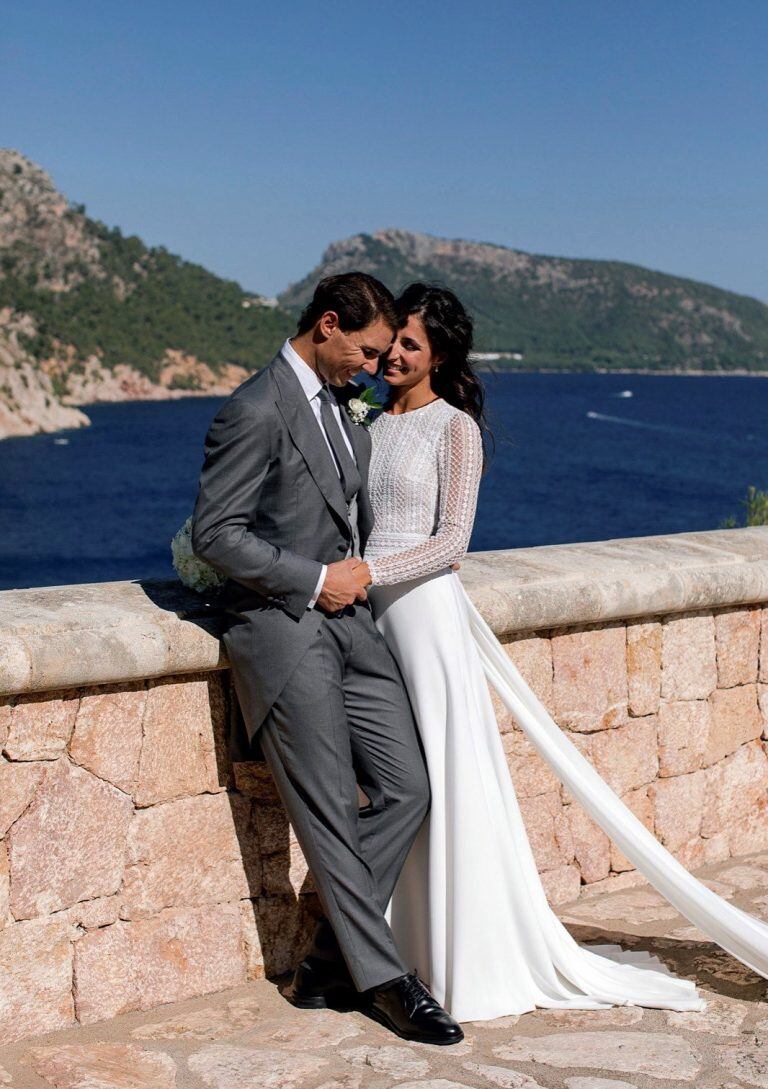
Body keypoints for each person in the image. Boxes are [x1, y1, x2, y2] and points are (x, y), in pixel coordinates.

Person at [359, 282, 768, 1022]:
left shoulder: (454, 428)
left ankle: (462, 953)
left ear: (439, 355)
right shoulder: (368, 419)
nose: (393, 354)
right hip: (369, 619)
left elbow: (453, 541)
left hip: (422, 617)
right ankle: (394, 944)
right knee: (396, 780)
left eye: (410, 345)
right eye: (392, 341)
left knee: (443, 782)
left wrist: (370, 571)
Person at [191, 272, 464, 1045]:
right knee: (330, 818)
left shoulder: (347, 413)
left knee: (410, 788)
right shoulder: (253, 407)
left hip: (355, 630)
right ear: (329, 325)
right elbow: (217, 532)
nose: (376, 367)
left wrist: (354, 581)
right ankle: (384, 978)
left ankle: (324, 961)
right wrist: (314, 579)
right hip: (283, 632)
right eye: (369, 351)